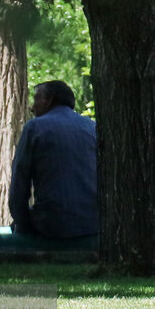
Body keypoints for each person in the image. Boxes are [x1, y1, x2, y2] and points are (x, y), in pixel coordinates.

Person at [8, 80, 99, 242]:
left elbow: (19, 183)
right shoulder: (92, 127)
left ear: (49, 99)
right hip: (93, 224)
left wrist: (21, 224)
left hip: (54, 225)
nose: (32, 107)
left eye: (36, 99)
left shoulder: (34, 127)